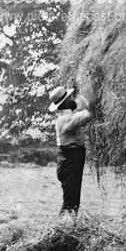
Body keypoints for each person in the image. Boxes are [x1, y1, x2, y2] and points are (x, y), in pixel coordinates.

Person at [48, 85, 92, 216]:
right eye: (70, 98)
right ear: (66, 102)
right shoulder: (65, 119)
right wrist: (94, 103)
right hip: (70, 159)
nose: (73, 99)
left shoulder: (67, 115)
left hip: (72, 158)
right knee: (70, 201)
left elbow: (80, 109)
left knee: (73, 198)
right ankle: (63, 229)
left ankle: (67, 227)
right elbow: (86, 115)